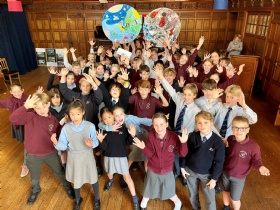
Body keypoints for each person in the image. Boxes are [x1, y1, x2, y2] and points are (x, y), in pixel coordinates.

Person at [9, 93, 75, 205]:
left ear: (49, 104)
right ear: (33, 107)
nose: (41, 110)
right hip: (33, 155)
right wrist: (25, 107)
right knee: (34, 177)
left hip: (50, 153)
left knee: (59, 172)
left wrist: (65, 125)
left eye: (44, 107)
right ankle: (35, 190)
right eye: (38, 108)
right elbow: (13, 118)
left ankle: (67, 186)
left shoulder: (53, 120)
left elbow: (58, 133)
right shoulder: (30, 116)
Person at [51, 100, 100, 210]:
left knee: (93, 178)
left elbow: (96, 142)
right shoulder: (66, 128)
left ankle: (97, 198)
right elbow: (63, 146)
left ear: (83, 112)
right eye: (72, 114)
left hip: (87, 156)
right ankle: (78, 199)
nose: (75, 117)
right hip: (73, 157)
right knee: (76, 179)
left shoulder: (90, 126)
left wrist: (92, 143)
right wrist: (56, 143)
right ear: (69, 114)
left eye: (77, 114)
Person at [133, 112, 188, 210]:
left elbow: (182, 153)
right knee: (149, 188)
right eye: (156, 125)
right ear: (153, 126)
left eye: (162, 124)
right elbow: (150, 155)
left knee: (169, 191)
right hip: (153, 169)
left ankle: (178, 203)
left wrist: (183, 143)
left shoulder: (174, 136)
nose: (159, 127)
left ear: (167, 124)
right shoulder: (150, 136)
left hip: (167, 170)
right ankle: (144, 201)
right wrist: (144, 147)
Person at [221, 116, 270, 210]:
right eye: (236, 128)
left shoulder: (254, 146)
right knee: (225, 191)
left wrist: (261, 167)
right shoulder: (230, 138)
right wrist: (224, 145)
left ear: (248, 130)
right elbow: (228, 153)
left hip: (239, 177)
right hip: (226, 172)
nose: (239, 131)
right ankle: (225, 207)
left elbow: (256, 160)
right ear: (232, 129)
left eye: (243, 128)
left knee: (235, 198)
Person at [180, 111, 225, 210]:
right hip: (190, 170)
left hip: (207, 175)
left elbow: (219, 162)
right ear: (196, 124)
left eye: (206, 122)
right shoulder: (192, 136)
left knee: (209, 197)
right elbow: (185, 153)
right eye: (199, 122)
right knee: (192, 194)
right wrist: (182, 166)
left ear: (211, 123)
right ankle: (196, 208)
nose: (202, 125)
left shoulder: (218, 142)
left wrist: (214, 179)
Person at [97, 107, 140, 210]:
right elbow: (104, 148)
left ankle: (135, 199)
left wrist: (133, 135)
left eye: (110, 117)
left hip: (121, 157)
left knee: (127, 177)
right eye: (105, 118)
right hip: (108, 157)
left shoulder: (122, 128)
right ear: (101, 120)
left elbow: (128, 142)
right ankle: (111, 180)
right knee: (109, 172)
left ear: (113, 117)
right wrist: (101, 141)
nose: (108, 120)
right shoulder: (102, 130)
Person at [0, 83, 29, 177]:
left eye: (19, 91)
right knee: (26, 143)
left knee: (27, 144)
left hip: (28, 124)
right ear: (11, 92)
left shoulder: (28, 98)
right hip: (18, 125)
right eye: (14, 91)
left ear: (22, 90)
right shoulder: (8, 101)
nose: (17, 93)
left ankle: (25, 165)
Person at [48, 88, 69, 169]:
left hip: (67, 132)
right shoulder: (48, 110)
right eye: (53, 98)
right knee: (61, 150)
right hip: (57, 134)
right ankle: (64, 164)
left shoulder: (66, 106)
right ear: (50, 99)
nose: (56, 100)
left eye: (58, 97)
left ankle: (68, 163)